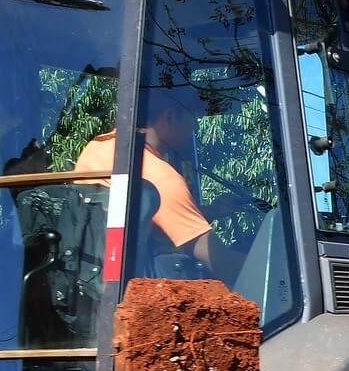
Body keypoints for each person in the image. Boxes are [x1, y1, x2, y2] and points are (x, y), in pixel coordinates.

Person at [73, 86, 239, 280]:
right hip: (142, 295)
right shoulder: (160, 178)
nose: (194, 127)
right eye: (191, 117)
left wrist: (212, 211)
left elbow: (138, 218)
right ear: (169, 118)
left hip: (88, 284)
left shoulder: (95, 149)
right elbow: (220, 262)